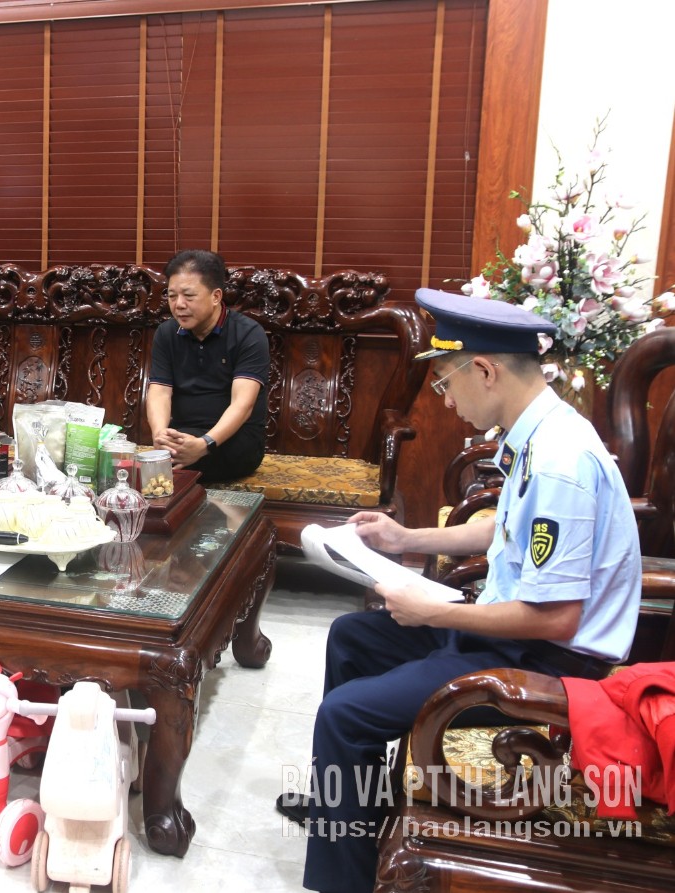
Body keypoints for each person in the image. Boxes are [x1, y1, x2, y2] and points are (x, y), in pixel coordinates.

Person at [283, 289, 641, 893]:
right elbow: (507, 528)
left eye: (446, 383)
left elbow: (555, 619)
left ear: (485, 370)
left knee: (344, 715)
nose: (446, 401)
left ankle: (342, 881)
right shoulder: (539, 432)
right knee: (353, 636)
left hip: (545, 666)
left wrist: (431, 609)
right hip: (511, 636)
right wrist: (405, 538)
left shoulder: (561, 461)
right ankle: (347, 810)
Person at [145, 248, 269, 482]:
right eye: (172, 296)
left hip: (234, 440)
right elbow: (160, 392)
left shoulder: (248, 334)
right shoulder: (167, 333)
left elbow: (243, 404)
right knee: (168, 457)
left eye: (189, 296)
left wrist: (205, 444)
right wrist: (160, 436)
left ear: (216, 296)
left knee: (169, 467)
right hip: (183, 436)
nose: (179, 305)